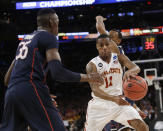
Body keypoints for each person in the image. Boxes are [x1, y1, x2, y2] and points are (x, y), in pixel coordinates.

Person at [0, 8, 105, 131]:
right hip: (30, 88)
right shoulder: (49, 37)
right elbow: (57, 72)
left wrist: (33, 91)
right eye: (58, 22)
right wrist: (88, 77)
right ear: (51, 22)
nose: (58, 26)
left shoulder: (25, 40)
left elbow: (7, 80)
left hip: (11, 93)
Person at [84, 34, 149, 131]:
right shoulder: (92, 65)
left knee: (142, 127)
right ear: (97, 47)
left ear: (111, 44)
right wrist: (113, 98)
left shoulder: (119, 58)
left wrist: (129, 71)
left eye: (107, 44)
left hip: (119, 103)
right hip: (99, 105)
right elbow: (95, 90)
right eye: (101, 45)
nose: (105, 47)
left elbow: (136, 68)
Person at [96, 16, 147, 131]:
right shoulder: (106, 52)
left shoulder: (116, 51)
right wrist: (137, 109)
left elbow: (136, 68)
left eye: (111, 36)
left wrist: (99, 18)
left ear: (118, 41)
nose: (108, 36)